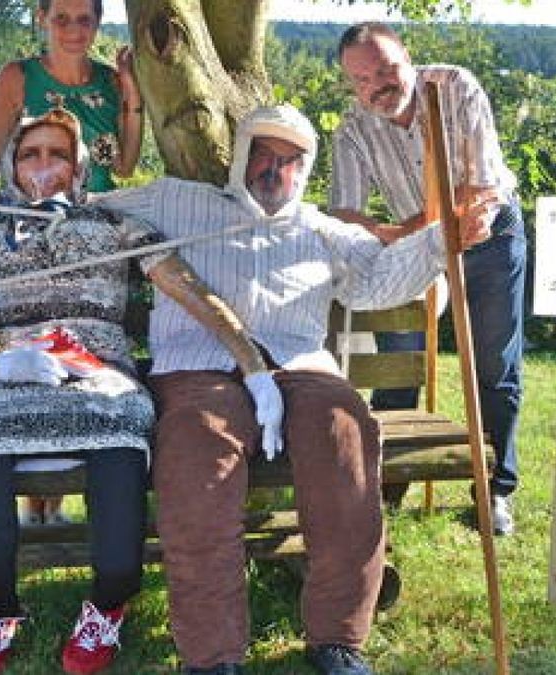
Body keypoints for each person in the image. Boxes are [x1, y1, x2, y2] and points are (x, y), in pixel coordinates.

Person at [92, 104, 489, 674]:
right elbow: (85, 213)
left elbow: (379, 277)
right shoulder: (176, 201)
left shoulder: (322, 230)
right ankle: (212, 655)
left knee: (344, 428)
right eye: (263, 155)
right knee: (196, 449)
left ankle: (338, 638)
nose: (274, 171)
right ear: (241, 155)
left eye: (290, 161)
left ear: (306, 171)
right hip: (199, 367)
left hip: (299, 365)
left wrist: (440, 239)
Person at [0, 109, 281, 675]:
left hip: (101, 370)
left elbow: (188, 289)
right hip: (17, 371)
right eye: (31, 154)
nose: (44, 166)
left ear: (78, 170)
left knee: (121, 421)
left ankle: (108, 603)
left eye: (57, 155)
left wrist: (253, 364)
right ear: (12, 167)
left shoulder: (117, 225)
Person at [0, 0, 145, 527]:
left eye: (85, 18)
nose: (74, 29)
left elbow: (123, 165)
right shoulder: (19, 77)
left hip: (92, 232)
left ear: (98, 23)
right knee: (32, 332)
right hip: (26, 223)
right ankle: (33, 499)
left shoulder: (110, 80)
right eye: (61, 18)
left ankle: (60, 501)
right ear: (42, 20)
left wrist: (130, 93)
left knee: (83, 349)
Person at [329, 22, 526, 535]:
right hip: (415, 250)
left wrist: (396, 230)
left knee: (492, 365)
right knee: (399, 366)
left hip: (488, 235)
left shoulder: (456, 87)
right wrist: (407, 235)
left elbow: (475, 193)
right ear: (352, 84)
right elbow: (344, 219)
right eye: (363, 78)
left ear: (408, 57)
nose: (378, 85)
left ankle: (494, 491)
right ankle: (381, 493)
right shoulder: (352, 128)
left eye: (387, 69)